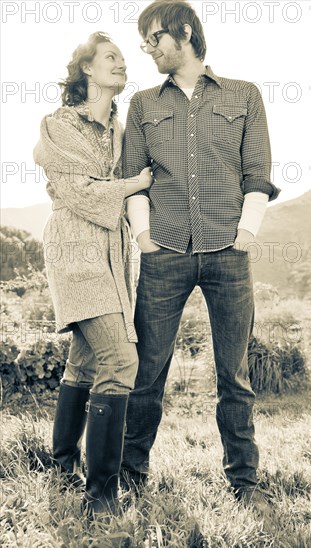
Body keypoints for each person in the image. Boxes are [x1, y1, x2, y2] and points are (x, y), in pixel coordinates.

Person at [121, 0, 280, 516]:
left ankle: (244, 481)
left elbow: (258, 174)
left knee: (234, 375)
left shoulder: (244, 94)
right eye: (144, 40)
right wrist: (144, 236)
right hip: (163, 251)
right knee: (147, 371)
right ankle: (130, 476)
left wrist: (246, 232)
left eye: (154, 37)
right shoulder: (143, 104)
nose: (147, 47)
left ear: (184, 32)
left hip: (228, 253)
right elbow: (135, 177)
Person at [33, 31, 153, 517]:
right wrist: (134, 183)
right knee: (121, 360)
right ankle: (101, 496)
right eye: (111, 58)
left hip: (112, 251)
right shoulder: (59, 124)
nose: (122, 64)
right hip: (75, 248)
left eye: (124, 59)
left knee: (85, 362)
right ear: (86, 69)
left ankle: (62, 468)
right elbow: (78, 191)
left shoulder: (120, 131)